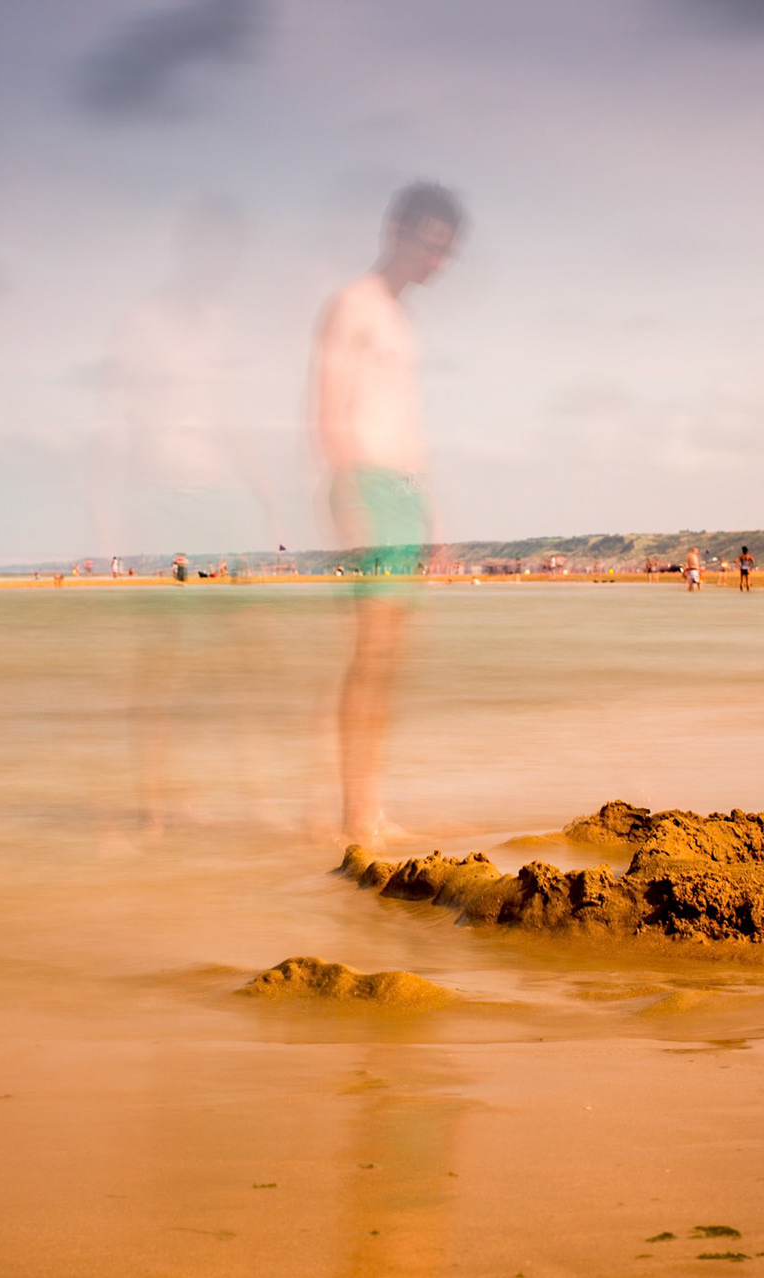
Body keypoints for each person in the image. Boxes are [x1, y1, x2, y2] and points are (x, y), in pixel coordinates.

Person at [312, 180, 462, 848]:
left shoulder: (403, 319)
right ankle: (355, 816)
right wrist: (350, 501)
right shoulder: (354, 304)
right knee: (369, 656)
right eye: (431, 247)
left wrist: (432, 519)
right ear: (398, 233)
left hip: (404, 492)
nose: (438, 263)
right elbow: (329, 405)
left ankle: (370, 807)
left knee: (390, 660)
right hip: (368, 486)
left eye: (446, 253)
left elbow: (407, 418)